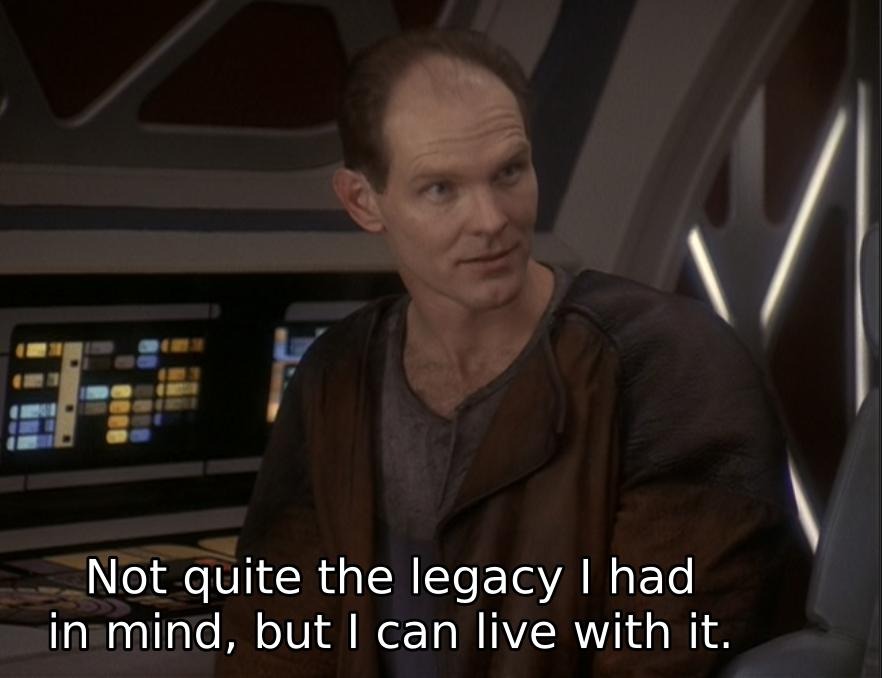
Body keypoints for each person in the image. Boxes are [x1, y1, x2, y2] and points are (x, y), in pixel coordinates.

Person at [218, 29, 806, 677]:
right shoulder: (337, 373)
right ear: (364, 202)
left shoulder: (669, 362)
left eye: (509, 172)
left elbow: (664, 647)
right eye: (441, 189)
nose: (491, 219)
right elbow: (273, 629)